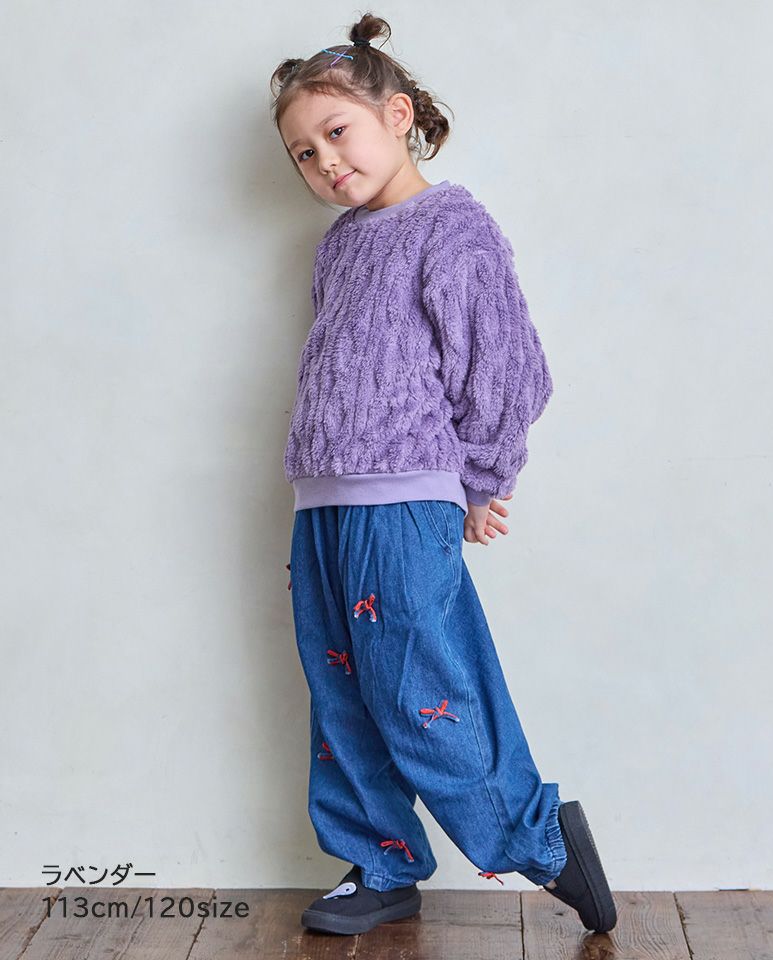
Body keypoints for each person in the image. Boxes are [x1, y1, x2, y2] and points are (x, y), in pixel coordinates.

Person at [270, 12, 617, 938]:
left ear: (399, 115)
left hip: (402, 500)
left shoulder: (453, 228)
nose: (325, 162)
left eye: (336, 132)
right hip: (322, 503)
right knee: (341, 695)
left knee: (420, 689)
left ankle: (540, 838)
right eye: (304, 153)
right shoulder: (340, 243)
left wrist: (481, 479)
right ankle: (381, 862)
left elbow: (507, 366)